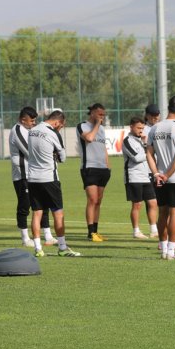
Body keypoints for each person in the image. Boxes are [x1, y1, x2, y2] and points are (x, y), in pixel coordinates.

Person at [27, 110, 81, 257]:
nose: (60, 129)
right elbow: (63, 157)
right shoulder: (53, 133)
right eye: (61, 126)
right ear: (57, 122)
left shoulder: (32, 131)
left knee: (37, 213)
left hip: (32, 178)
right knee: (57, 213)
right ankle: (62, 247)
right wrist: (55, 155)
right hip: (49, 178)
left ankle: (38, 249)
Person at [146, 95, 175, 260]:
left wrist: (157, 173)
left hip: (159, 178)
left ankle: (164, 250)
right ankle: (171, 252)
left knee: (162, 213)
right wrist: (168, 175)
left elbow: (149, 153)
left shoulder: (155, 128)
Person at [9, 106, 56, 247]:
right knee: (25, 205)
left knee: (43, 204)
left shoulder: (31, 131)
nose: (33, 123)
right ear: (23, 120)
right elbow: (30, 151)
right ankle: (25, 238)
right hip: (23, 175)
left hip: (36, 174)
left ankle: (48, 236)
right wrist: (46, 154)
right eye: (31, 121)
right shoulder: (17, 131)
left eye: (35, 120)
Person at [76, 103, 111, 242]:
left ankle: (96, 231)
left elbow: (104, 149)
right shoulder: (82, 126)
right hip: (89, 168)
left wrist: (108, 167)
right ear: (92, 113)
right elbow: (89, 138)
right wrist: (96, 124)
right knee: (92, 199)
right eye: (99, 114)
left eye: (103, 114)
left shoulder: (102, 129)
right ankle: (90, 232)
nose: (102, 117)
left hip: (103, 169)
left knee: (98, 201)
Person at [122, 116, 158, 239]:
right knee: (137, 205)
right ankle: (136, 231)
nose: (141, 130)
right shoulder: (127, 141)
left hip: (146, 176)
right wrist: (148, 150)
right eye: (138, 128)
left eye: (142, 128)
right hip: (133, 176)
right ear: (131, 127)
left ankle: (154, 230)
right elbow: (136, 158)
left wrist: (145, 146)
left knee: (153, 202)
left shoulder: (144, 140)